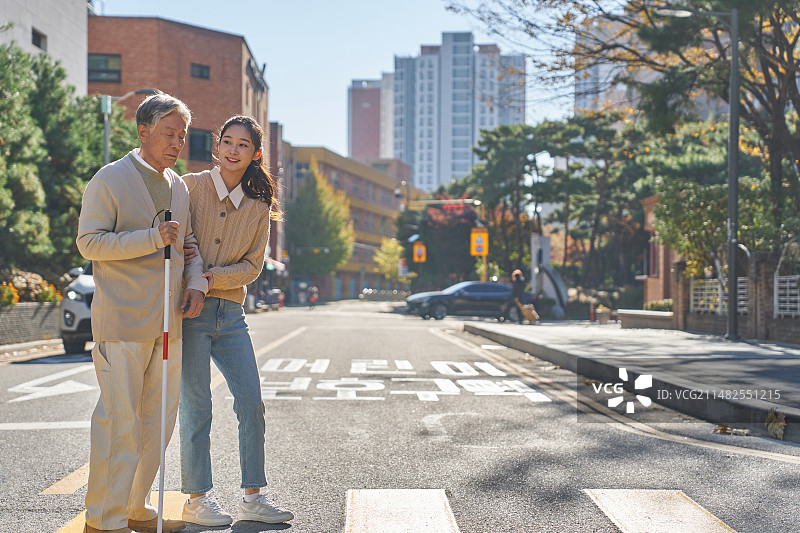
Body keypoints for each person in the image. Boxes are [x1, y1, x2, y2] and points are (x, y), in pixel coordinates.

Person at [76, 94, 208, 533]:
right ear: (143, 132)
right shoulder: (109, 179)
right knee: (120, 422)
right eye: (169, 133)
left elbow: (189, 245)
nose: (177, 143)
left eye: (182, 135)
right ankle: (104, 519)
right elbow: (89, 243)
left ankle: (136, 507)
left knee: (157, 422)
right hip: (123, 320)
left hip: (169, 323)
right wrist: (151, 238)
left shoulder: (179, 186)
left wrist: (195, 283)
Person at [178, 115, 293, 526]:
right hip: (190, 313)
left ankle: (253, 497)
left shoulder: (259, 206)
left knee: (251, 403)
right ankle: (197, 499)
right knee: (197, 406)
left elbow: (252, 266)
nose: (233, 150)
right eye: (227, 141)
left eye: (243, 145)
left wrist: (212, 279)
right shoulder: (189, 187)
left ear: (255, 154)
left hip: (231, 314)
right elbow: (177, 239)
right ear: (217, 145)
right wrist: (194, 280)